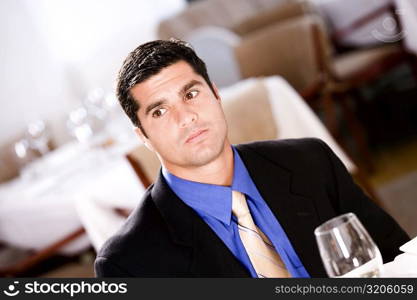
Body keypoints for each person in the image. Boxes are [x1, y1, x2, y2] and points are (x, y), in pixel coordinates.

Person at [94, 39, 409, 277]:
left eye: (191, 94)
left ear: (217, 95)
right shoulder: (128, 262)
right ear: (143, 136)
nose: (186, 117)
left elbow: (397, 258)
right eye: (160, 111)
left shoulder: (311, 162)